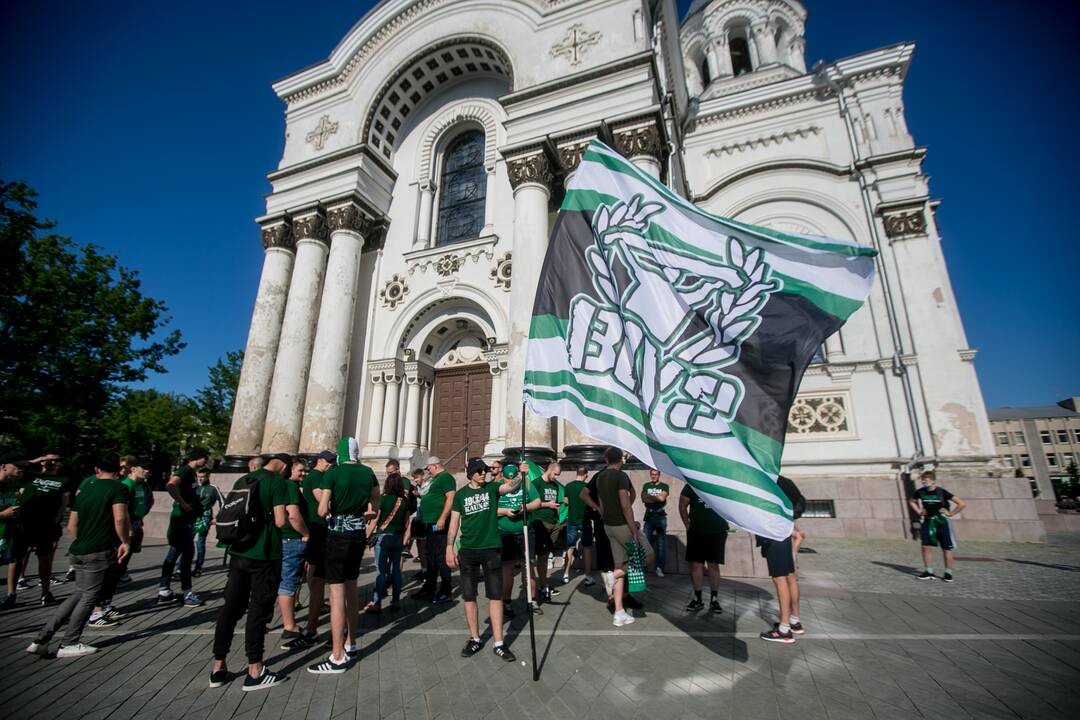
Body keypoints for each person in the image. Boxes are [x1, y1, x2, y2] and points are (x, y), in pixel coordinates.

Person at [209, 454, 303, 691]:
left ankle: (218, 667)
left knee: (230, 608)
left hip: (239, 552)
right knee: (259, 611)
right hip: (265, 554)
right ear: (284, 466)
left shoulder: (245, 479)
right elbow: (282, 520)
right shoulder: (278, 483)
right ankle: (255, 670)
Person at [26, 454, 130, 658]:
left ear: (97, 469)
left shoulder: (86, 488)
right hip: (98, 549)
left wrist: (84, 539)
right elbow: (119, 517)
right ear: (118, 469)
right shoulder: (118, 488)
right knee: (90, 597)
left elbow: (72, 524)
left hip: (78, 549)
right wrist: (124, 541)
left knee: (78, 594)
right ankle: (69, 642)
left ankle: (42, 638)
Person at [308, 438, 379, 674]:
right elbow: (375, 506)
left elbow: (322, 509)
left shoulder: (334, 473)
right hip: (358, 535)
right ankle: (352, 643)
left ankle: (337, 656)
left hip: (337, 535)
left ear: (339, 454)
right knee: (351, 587)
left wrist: (327, 510)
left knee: (336, 594)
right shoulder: (368, 472)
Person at [446, 458, 518, 662]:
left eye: (484, 470)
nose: (483, 473)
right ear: (470, 473)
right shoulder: (461, 495)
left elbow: (509, 487)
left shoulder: (492, 488)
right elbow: (454, 523)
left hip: (491, 549)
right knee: (469, 596)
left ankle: (499, 643)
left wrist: (521, 474)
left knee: (495, 596)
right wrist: (449, 548)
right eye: (478, 471)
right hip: (468, 550)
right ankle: (475, 638)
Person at [594, 447, 653, 627]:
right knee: (648, 555)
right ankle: (611, 576)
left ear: (606, 460)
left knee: (621, 564)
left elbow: (601, 503)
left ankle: (619, 613)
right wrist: (633, 529)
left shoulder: (600, 476)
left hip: (608, 526)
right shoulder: (621, 476)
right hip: (622, 525)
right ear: (621, 459)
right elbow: (626, 504)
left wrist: (605, 517)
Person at [15, 454, 69, 605]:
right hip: (25, 523)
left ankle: (45, 592)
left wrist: (57, 520)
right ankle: (12, 590)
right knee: (19, 557)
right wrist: (35, 461)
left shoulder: (63, 480)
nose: (51, 462)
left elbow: (64, 502)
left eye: (55, 460)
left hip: (46, 525)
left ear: (59, 464)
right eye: (48, 459)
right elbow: (14, 465)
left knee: (44, 559)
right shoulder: (30, 476)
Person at [158, 447, 209, 607]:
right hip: (182, 519)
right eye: (205, 458)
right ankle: (187, 593)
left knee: (174, 554)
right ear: (197, 458)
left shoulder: (191, 473)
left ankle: (164, 590)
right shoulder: (185, 471)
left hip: (186, 519)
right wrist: (183, 504)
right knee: (187, 555)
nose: (206, 461)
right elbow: (171, 485)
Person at [497, 461, 541, 617]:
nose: (511, 483)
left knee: (528, 566)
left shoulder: (526, 483)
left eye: (513, 478)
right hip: (505, 533)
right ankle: (506, 601)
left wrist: (525, 508)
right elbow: (491, 510)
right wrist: (505, 511)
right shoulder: (497, 486)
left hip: (525, 531)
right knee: (507, 569)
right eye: (508, 480)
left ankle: (532, 600)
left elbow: (537, 502)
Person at [277, 460, 312, 649]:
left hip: (282, 540)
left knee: (279, 580)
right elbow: (292, 515)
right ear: (289, 469)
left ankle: (267, 621)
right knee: (289, 581)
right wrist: (306, 533)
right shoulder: (290, 486)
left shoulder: (279, 485)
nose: (304, 473)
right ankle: (290, 625)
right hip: (292, 539)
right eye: (301, 470)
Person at [364, 470, 411, 613]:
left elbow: (375, 520)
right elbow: (407, 522)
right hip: (397, 538)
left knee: (380, 571)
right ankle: (396, 601)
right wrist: (406, 538)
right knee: (396, 570)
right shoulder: (403, 501)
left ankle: (377, 603)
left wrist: (367, 535)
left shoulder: (383, 500)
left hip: (383, 537)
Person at [301, 449, 335, 639]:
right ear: (319, 461)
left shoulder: (319, 475)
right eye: (328, 461)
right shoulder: (315, 476)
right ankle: (316, 605)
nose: (330, 464)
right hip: (318, 529)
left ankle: (317, 603)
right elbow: (321, 500)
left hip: (320, 528)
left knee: (316, 571)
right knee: (317, 573)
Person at [910, 469, 966, 582]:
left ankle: (948, 573)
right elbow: (911, 501)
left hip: (942, 522)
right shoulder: (920, 492)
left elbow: (961, 503)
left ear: (933, 481)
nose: (924, 482)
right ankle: (929, 571)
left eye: (926, 480)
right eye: (923, 480)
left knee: (946, 548)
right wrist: (919, 511)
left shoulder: (942, 492)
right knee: (925, 546)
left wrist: (951, 513)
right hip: (927, 521)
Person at [679, 483, 728, 613]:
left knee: (713, 565)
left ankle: (714, 599)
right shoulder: (692, 482)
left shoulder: (720, 482)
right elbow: (682, 505)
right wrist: (687, 525)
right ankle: (698, 599)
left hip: (717, 531)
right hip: (697, 531)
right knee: (696, 565)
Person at [416, 456, 455, 602]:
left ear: (436, 466)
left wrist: (442, 518)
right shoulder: (437, 479)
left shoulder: (445, 478)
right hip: (431, 522)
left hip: (439, 523)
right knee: (430, 555)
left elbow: (450, 498)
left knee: (440, 556)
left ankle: (446, 589)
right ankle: (429, 588)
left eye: (429, 468)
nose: (428, 471)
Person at [532, 462, 565, 601]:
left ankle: (543, 583)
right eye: (555, 474)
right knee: (541, 555)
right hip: (540, 522)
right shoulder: (536, 483)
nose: (556, 477)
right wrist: (547, 504)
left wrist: (557, 517)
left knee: (545, 555)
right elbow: (532, 503)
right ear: (549, 470)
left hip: (553, 522)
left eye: (558, 475)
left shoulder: (555, 485)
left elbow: (555, 502)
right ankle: (542, 585)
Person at [117, 456, 153, 584]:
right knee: (120, 557)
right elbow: (122, 509)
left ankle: (120, 574)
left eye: (149, 468)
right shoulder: (126, 485)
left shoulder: (142, 485)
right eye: (144, 468)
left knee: (128, 555)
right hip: (127, 526)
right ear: (133, 469)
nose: (148, 470)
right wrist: (130, 528)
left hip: (137, 523)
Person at [0, 453, 25, 609]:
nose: (20, 469)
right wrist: (3, 514)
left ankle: (11, 594)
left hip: (9, 532)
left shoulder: (12, 484)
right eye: (17, 466)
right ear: (3, 466)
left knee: (15, 559)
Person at [562, 466, 591, 584]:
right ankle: (588, 576)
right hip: (585, 520)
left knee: (569, 547)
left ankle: (566, 574)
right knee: (587, 548)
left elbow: (566, 501)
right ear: (586, 474)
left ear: (577, 473)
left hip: (572, 520)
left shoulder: (568, 486)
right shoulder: (588, 486)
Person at [641, 469, 670, 577]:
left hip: (660, 517)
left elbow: (662, 498)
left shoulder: (664, 486)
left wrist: (651, 498)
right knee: (645, 543)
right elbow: (644, 498)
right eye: (652, 475)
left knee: (661, 544)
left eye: (655, 475)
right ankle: (643, 567)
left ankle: (659, 568)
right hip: (648, 516)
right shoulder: (646, 485)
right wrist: (656, 498)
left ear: (659, 475)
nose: (653, 476)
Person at [194, 467, 222, 576]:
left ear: (208, 476)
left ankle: (198, 568)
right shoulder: (194, 487)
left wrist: (218, 517)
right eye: (198, 477)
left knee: (200, 542)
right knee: (186, 542)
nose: (200, 479)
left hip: (205, 517)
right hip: (192, 516)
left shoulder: (213, 488)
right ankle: (179, 569)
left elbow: (223, 503)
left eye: (202, 477)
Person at [408, 467, 428, 580]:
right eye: (414, 478)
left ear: (422, 476)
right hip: (416, 518)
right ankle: (423, 569)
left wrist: (419, 495)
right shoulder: (416, 487)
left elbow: (430, 498)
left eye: (416, 478)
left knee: (424, 545)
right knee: (419, 545)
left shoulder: (429, 486)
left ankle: (427, 571)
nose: (415, 480)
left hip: (424, 518)